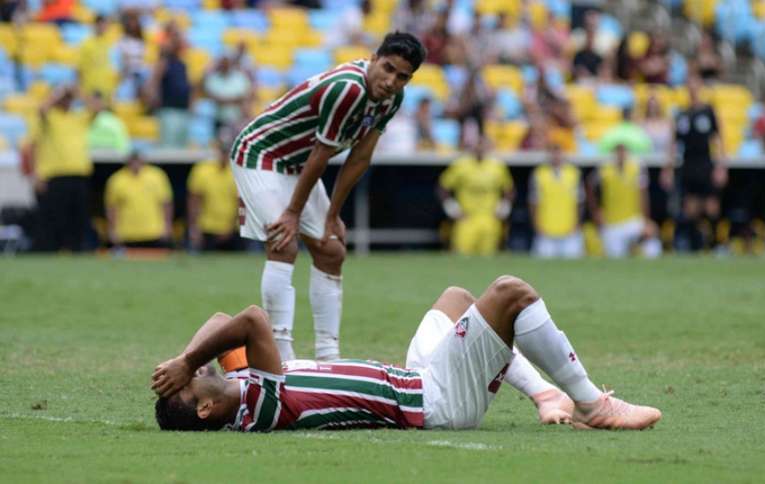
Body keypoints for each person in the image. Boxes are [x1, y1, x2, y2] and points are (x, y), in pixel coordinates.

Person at [151, 274, 662, 431]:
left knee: (458, 299)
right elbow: (249, 319)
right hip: (434, 402)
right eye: (193, 382)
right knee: (510, 293)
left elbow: (220, 325)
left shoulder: (239, 380)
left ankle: (547, 394)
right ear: (204, 406)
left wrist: (186, 360)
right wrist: (187, 362)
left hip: (413, 378)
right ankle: (594, 404)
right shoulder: (254, 406)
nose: (196, 371)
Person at [229, 32, 426, 363]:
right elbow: (322, 154)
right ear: (374, 58)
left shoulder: (393, 99)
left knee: (331, 250)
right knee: (284, 240)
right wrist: (292, 213)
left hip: (296, 164)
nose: (392, 81)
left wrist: (333, 215)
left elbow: (360, 157)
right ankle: (281, 353)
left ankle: (329, 356)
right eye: (388, 68)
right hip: (261, 153)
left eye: (402, 76)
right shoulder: (347, 88)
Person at [23, 86, 96, 252]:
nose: (67, 101)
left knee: (78, 218)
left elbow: (97, 108)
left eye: (68, 99)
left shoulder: (77, 118)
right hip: (55, 176)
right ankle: (51, 250)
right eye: (65, 98)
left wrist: (78, 93)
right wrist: (58, 93)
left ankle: (78, 251)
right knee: (55, 218)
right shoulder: (48, 118)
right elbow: (41, 110)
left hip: (79, 175)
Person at [661, 76, 727, 251]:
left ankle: (716, 245)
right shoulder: (681, 114)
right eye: (689, 85)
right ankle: (695, 245)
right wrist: (667, 169)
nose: (692, 88)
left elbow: (718, 139)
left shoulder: (708, 111)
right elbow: (673, 143)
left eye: (695, 85)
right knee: (691, 208)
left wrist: (721, 166)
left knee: (712, 207)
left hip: (706, 163)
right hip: (689, 165)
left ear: (700, 87)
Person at [438, 138, 514, 256]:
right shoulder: (461, 165)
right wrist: (451, 207)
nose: (480, 149)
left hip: (489, 218)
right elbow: (443, 187)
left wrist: (504, 206)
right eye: (478, 146)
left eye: (483, 146)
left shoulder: (497, 166)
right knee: (461, 256)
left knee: (488, 257)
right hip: (466, 218)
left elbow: (509, 189)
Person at [587, 143, 661, 258]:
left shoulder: (636, 168)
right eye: (618, 151)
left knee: (652, 242)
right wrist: (596, 211)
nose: (621, 154)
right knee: (615, 257)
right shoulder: (604, 169)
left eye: (623, 151)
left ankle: (641, 258)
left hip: (632, 220)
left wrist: (646, 220)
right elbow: (590, 186)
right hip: (611, 223)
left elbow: (643, 195)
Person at [104, 151, 173, 248]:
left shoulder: (157, 176)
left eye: (138, 160)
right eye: (133, 160)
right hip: (126, 234)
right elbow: (112, 208)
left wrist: (167, 226)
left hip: (154, 232)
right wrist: (112, 230)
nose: (135, 164)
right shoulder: (117, 179)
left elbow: (166, 203)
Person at [529, 142, 585, 258]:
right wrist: (536, 224)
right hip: (546, 227)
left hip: (569, 228)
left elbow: (580, 201)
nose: (556, 156)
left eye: (558, 152)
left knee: (572, 265)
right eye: (553, 152)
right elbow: (533, 202)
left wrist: (578, 223)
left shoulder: (574, 173)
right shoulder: (539, 173)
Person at [187, 136, 240, 251]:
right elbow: (195, 201)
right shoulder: (202, 170)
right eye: (222, 151)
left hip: (232, 229)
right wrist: (194, 227)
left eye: (227, 151)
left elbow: (240, 203)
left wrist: (230, 228)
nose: (224, 155)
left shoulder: (237, 172)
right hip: (207, 227)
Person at [77, 14, 116, 100]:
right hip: (91, 87)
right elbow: (80, 69)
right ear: (95, 25)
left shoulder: (109, 43)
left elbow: (111, 66)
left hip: (107, 87)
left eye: (106, 25)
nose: (104, 27)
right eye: (102, 24)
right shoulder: (86, 44)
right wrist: (83, 90)